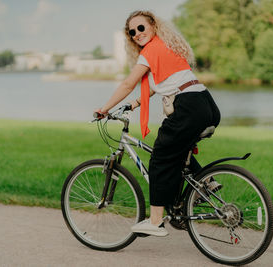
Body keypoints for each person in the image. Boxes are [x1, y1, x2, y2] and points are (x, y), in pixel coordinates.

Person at [94, 10, 220, 237]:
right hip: (206, 104)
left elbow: (127, 83)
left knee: (160, 157)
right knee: (177, 151)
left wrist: (104, 109)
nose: (137, 34)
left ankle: (155, 221)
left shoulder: (151, 50)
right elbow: (158, 84)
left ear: (153, 26)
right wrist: (133, 105)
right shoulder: (167, 47)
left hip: (188, 107)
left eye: (141, 28)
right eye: (132, 32)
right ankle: (205, 183)